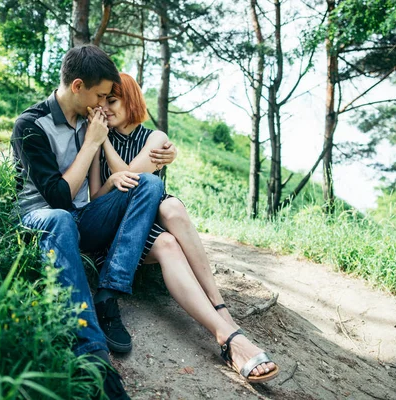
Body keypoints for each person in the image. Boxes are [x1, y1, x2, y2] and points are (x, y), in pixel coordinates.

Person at [87, 72, 279, 383]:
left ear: (130, 100)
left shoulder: (155, 139)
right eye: (102, 101)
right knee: (167, 234)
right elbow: (98, 197)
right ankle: (227, 333)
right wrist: (104, 149)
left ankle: (221, 315)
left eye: (113, 100)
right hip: (115, 230)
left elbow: (134, 179)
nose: (106, 108)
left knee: (171, 212)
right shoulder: (97, 142)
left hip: (149, 221)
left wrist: (104, 145)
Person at [11, 46, 174, 399]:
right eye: (100, 95)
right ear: (78, 86)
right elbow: (58, 199)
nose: (104, 103)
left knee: (148, 184)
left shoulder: (92, 120)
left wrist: (164, 154)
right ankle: (93, 356)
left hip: (82, 218)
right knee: (60, 218)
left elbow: (138, 148)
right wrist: (91, 144)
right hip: (42, 219)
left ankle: (109, 292)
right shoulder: (30, 125)